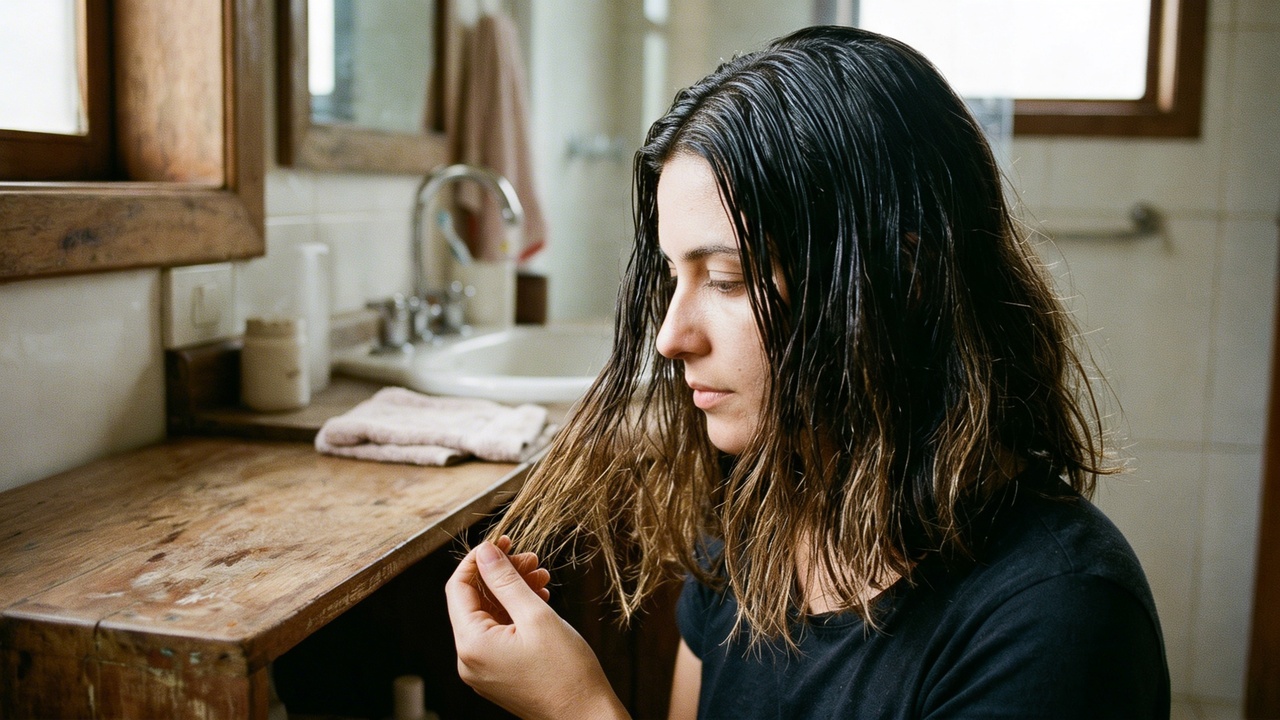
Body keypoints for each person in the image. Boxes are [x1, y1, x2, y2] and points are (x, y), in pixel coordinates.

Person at [445, 25, 1170, 719]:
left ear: (900, 281)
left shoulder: (1059, 618)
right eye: (673, 276)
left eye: (726, 279)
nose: (669, 336)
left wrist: (578, 709)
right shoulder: (751, 529)